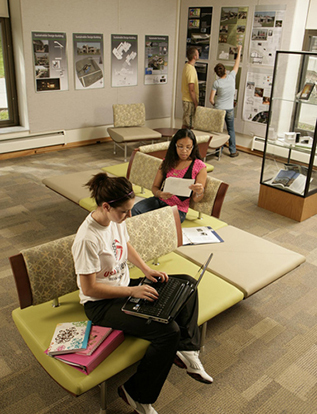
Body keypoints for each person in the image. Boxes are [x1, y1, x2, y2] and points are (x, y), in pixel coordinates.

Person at [72, 172, 213, 414]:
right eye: (124, 212)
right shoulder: (87, 238)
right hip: (101, 304)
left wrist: (146, 270)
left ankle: (188, 349)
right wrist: (133, 291)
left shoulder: (115, 221)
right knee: (168, 332)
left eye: (130, 210)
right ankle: (135, 394)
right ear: (105, 206)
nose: (128, 216)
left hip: (125, 287)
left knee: (186, 284)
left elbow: (124, 245)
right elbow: (89, 288)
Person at [131, 128, 207, 223]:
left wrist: (200, 191)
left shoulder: (199, 166)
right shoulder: (167, 162)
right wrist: (160, 194)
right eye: (180, 146)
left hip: (178, 209)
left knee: (157, 222)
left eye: (188, 147)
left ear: (193, 147)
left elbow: (196, 199)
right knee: (135, 210)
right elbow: (155, 187)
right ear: (175, 146)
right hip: (159, 201)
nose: (184, 151)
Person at [209, 45, 242, 158]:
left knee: (218, 131)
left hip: (219, 109)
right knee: (231, 130)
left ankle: (218, 150)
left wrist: (215, 105)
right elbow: (237, 63)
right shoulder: (232, 77)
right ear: (225, 71)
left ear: (217, 74)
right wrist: (239, 50)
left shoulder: (216, 83)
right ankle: (233, 151)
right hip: (229, 109)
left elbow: (211, 99)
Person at [181, 46, 200, 128]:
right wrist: (195, 103)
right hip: (189, 101)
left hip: (186, 100)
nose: (199, 54)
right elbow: (191, 89)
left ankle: (180, 139)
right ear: (194, 57)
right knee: (190, 125)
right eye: (197, 53)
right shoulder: (190, 70)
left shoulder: (187, 66)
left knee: (186, 123)